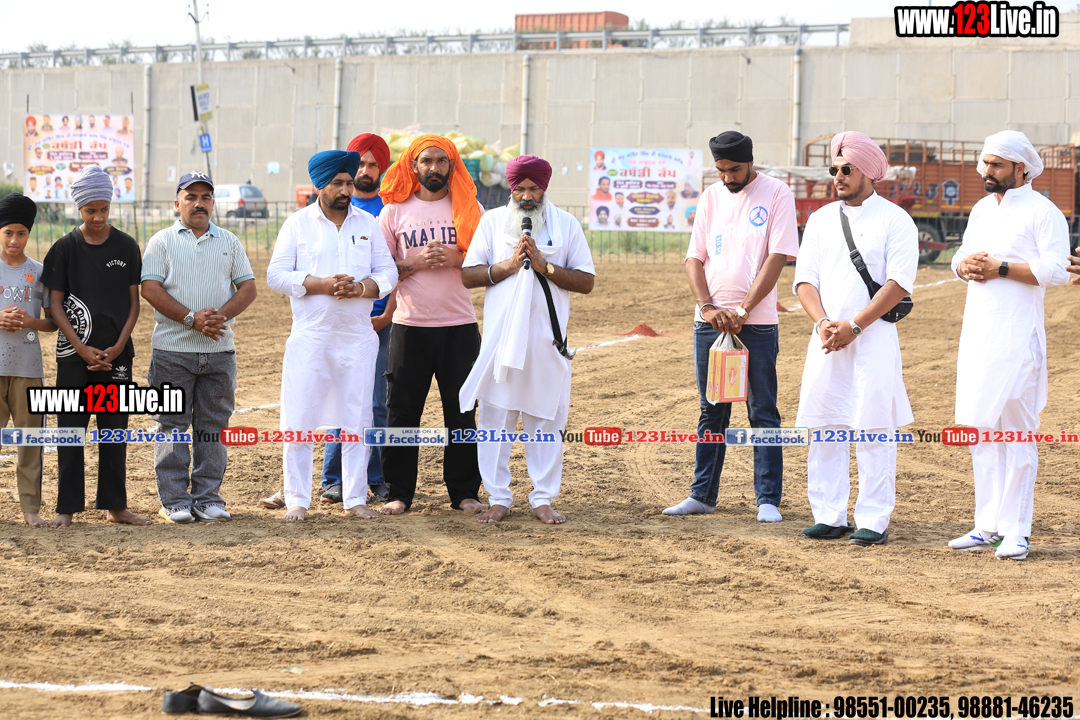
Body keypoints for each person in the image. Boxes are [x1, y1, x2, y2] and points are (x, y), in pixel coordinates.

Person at [664, 131, 799, 522]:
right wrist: (707, 307)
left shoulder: (777, 193)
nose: (727, 177)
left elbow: (777, 257)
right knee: (712, 411)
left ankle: (768, 500)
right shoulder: (710, 196)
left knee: (763, 411)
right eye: (721, 170)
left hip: (755, 326)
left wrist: (743, 310)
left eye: (734, 169)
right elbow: (694, 259)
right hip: (709, 324)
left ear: (750, 161)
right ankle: (702, 495)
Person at [949, 131, 1071, 561]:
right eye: (985, 163)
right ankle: (986, 525)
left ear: (1021, 168)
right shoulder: (982, 209)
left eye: (996, 165)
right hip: (979, 336)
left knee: (1017, 436)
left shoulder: (1043, 211)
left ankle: (1016, 531)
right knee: (981, 430)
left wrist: (1001, 268)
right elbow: (960, 256)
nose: (986, 171)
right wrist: (963, 266)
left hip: (1019, 340)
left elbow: (1058, 271)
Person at [793, 131, 918, 546]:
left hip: (873, 339)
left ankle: (873, 519)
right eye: (834, 170)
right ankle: (828, 515)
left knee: (873, 426)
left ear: (868, 171)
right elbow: (805, 279)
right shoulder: (820, 219)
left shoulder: (895, 219)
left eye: (846, 169)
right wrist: (823, 322)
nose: (838, 177)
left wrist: (856, 326)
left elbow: (898, 284)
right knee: (825, 423)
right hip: (827, 339)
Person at [460, 156, 595, 524]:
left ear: (544, 188)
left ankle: (543, 498)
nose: (526, 196)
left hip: (546, 345)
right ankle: (498, 497)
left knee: (546, 421)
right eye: (519, 189)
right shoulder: (491, 222)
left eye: (534, 188)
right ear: (511, 188)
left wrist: (545, 267)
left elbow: (586, 281)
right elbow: (468, 275)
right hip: (501, 345)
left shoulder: (566, 225)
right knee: (494, 423)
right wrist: (508, 265)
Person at [266, 150, 397, 522]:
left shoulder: (367, 223)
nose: (345, 190)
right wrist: (319, 284)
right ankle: (297, 499)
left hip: (357, 336)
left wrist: (363, 288)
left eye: (348, 183)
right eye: (337, 183)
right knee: (299, 418)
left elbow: (388, 272)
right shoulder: (298, 224)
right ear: (320, 185)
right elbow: (276, 275)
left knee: (358, 417)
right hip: (311, 336)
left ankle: (355, 498)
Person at [377, 134, 485, 516]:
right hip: (411, 326)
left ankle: (465, 491)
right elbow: (380, 271)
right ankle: (398, 492)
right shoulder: (393, 212)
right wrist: (416, 263)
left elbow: (487, 266)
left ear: (451, 166)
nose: (434, 167)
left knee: (462, 413)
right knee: (402, 412)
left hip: (460, 326)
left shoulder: (469, 208)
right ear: (413, 165)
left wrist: (456, 258)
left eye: (441, 161)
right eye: (426, 161)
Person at [141, 172, 257, 524]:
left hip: (219, 351)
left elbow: (248, 288)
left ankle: (207, 498)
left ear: (213, 203)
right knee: (171, 426)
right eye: (191, 196)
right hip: (172, 351)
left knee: (213, 427)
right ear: (177, 203)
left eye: (206, 197)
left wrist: (218, 317)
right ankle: (174, 500)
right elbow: (150, 289)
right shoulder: (162, 241)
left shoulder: (229, 241)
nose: (199, 203)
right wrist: (192, 319)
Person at [41, 166, 147, 528]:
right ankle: (66, 508)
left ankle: (116, 506)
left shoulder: (127, 246)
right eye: (91, 210)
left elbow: (134, 304)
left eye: (104, 209)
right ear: (79, 208)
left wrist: (118, 347)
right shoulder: (64, 249)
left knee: (114, 431)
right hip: (74, 358)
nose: (98, 217)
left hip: (117, 356)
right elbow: (55, 306)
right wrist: (81, 348)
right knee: (70, 431)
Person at [0, 194, 57, 527]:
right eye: (8, 232)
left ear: (29, 234)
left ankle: (30, 509)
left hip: (28, 369)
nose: (14, 240)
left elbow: (52, 322)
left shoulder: (39, 272)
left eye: (21, 233)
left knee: (29, 441)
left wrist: (30, 321)